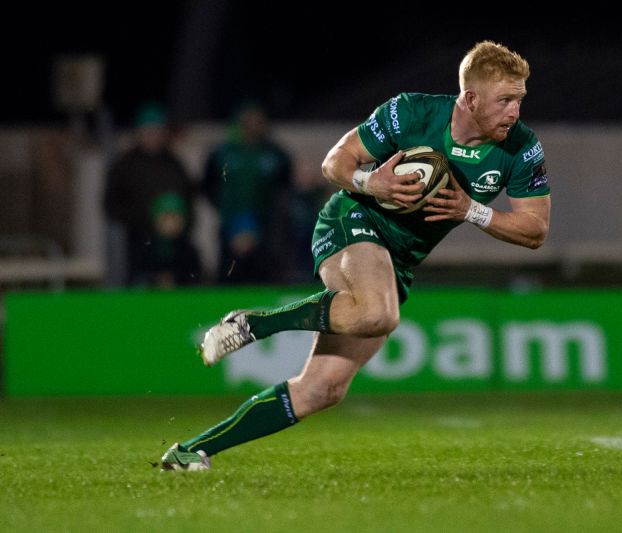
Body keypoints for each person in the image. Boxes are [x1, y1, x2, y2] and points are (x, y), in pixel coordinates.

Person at [160, 41, 551, 471]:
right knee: (378, 315)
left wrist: (471, 211)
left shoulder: (521, 146)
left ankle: (190, 451)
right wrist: (371, 183)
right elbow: (335, 162)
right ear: (471, 98)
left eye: (519, 100)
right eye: (506, 100)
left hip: (398, 260)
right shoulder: (411, 113)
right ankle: (255, 324)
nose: (515, 112)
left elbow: (535, 230)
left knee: (322, 389)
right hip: (353, 218)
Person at [202, 101, 295, 284]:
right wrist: (224, 209)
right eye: (248, 121)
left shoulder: (275, 154)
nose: (253, 126)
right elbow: (209, 185)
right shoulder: (222, 153)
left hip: (266, 227)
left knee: (265, 271)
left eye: (258, 121)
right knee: (229, 271)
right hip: (230, 226)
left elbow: (285, 187)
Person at [104, 103, 197, 285]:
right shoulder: (125, 165)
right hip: (139, 239)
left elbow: (189, 199)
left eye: (157, 131)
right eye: (148, 131)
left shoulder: (174, 164)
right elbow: (111, 204)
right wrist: (144, 220)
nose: (153, 137)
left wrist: (180, 225)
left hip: (174, 242)